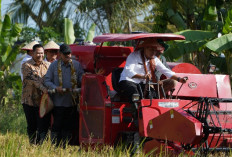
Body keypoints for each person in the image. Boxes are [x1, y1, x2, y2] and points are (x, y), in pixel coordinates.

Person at [118, 38, 187, 104]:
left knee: (154, 97)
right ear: (145, 48)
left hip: (143, 83)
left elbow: (166, 71)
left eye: (155, 50)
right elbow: (128, 71)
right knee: (135, 95)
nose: (153, 52)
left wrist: (179, 79)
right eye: (151, 50)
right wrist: (143, 76)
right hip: (128, 81)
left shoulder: (155, 59)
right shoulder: (134, 56)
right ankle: (136, 113)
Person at [45, 44, 84, 147]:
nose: (68, 56)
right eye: (66, 54)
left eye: (69, 53)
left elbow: (81, 80)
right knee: (57, 125)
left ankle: (65, 146)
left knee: (68, 126)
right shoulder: (53, 65)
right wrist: (56, 87)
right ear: (60, 54)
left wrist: (86, 79)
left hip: (72, 101)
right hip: (58, 102)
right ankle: (54, 147)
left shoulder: (76, 65)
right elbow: (47, 80)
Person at [21, 44, 51, 144]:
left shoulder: (48, 65)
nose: (40, 55)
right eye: (38, 53)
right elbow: (33, 80)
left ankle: (41, 146)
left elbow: (51, 79)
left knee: (43, 125)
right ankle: (32, 146)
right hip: (29, 101)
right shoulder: (26, 65)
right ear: (32, 53)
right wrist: (43, 88)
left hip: (43, 101)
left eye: (42, 53)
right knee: (32, 125)